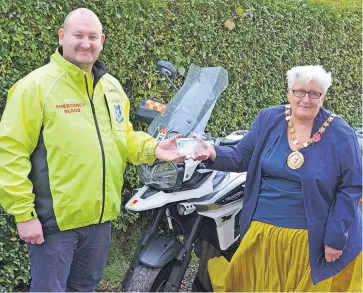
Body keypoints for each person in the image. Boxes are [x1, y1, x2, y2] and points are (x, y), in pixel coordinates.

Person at [0, 8, 184, 292]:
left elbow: (122, 137)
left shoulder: (111, 87)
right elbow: (10, 153)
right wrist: (24, 215)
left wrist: (155, 149)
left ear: (102, 41)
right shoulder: (34, 87)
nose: (86, 43)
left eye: (92, 37)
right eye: (78, 35)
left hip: (99, 221)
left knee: (85, 288)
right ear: (62, 37)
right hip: (54, 223)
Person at [196, 65, 362, 291]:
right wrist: (213, 152)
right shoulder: (269, 119)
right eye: (299, 91)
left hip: (311, 238)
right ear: (289, 93)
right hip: (262, 232)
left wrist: (335, 238)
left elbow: (351, 187)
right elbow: (242, 155)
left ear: (323, 97)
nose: (306, 99)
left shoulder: (341, 133)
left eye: (314, 94)